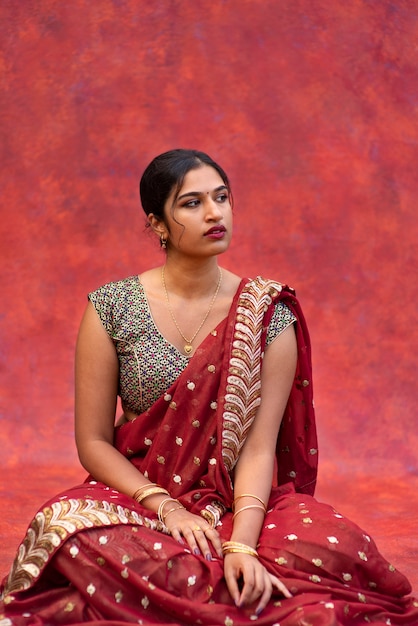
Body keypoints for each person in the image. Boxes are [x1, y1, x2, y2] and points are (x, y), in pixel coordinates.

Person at [1, 149, 417, 626]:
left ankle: (173, 594)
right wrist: (167, 509)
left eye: (221, 198)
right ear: (157, 223)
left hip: (241, 499)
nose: (215, 213)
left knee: (340, 550)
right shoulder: (111, 307)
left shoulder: (268, 315)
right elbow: (93, 442)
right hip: (139, 497)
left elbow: (259, 449)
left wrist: (242, 542)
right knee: (64, 529)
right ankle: (240, 603)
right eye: (192, 203)